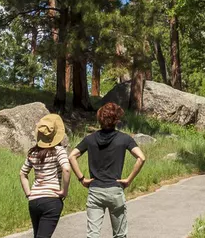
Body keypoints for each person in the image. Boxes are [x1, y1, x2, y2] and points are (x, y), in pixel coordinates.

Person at [70, 102, 145, 238]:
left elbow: (72, 156)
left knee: (93, 235)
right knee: (120, 235)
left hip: (95, 190)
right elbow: (141, 158)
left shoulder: (90, 139)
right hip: (115, 190)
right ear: (116, 119)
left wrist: (82, 178)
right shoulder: (124, 139)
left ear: (100, 119)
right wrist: (128, 180)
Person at [20, 113, 72, 238]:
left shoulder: (33, 153)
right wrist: (64, 191)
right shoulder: (59, 151)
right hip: (51, 200)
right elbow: (66, 169)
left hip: (34, 201)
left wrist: (29, 193)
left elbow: (22, 173)